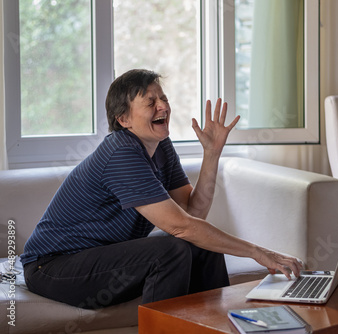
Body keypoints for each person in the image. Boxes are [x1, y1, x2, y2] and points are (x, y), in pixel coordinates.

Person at [20, 69, 302, 309]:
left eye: (164, 99)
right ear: (124, 119)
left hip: (95, 261)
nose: (163, 107)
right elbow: (181, 227)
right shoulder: (121, 151)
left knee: (204, 247)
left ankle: (213, 326)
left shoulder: (162, 147)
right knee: (171, 249)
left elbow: (194, 213)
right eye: (150, 102)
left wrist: (212, 154)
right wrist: (257, 251)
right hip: (51, 268)